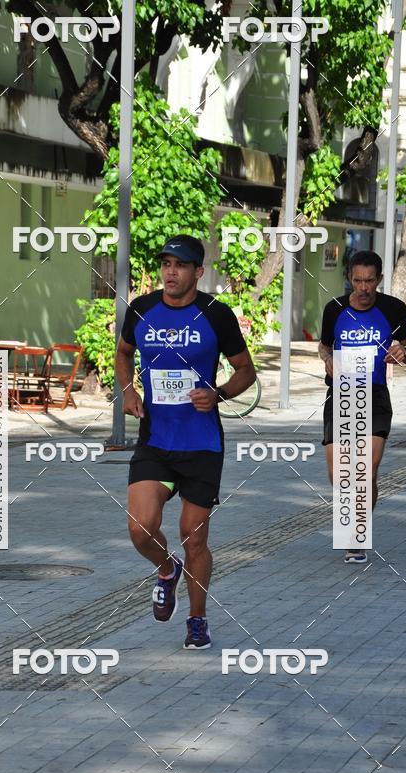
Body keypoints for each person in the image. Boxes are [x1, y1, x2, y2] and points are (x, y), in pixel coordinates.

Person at [115, 234, 255, 649]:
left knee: (194, 538)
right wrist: (127, 390)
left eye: (180, 265)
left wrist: (219, 394)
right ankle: (165, 568)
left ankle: (197, 620)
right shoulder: (141, 310)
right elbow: (123, 353)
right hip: (156, 439)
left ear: (198, 271)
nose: (170, 272)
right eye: (166, 264)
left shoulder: (216, 315)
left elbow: (245, 370)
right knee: (141, 528)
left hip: (202, 444)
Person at [318, 250, 406, 563]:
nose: (363, 288)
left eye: (370, 281)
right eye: (358, 281)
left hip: (374, 397)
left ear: (379, 279)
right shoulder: (333, 309)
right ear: (349, 278)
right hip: (340, 394)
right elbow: (323, 345)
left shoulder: (393, 308)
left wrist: (403, 353)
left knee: (364, 470)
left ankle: (356, 534)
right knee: (340, 477)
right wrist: (327, 358)